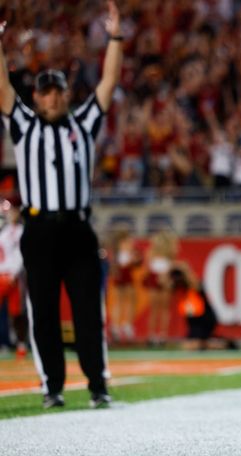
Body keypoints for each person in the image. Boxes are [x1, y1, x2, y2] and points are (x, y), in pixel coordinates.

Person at [0, 1, 123, 408]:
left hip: (76, 227)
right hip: (38, 229)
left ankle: (97, 384)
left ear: (66, 94)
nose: (51, 97)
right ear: (36, 96)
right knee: (44, 312)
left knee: (89, 309)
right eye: (45, 91)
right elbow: (2, 89)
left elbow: (107, 82)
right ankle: (51, 385)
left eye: (56, 90)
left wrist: (116, 38)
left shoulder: (83, 122)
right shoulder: (23, 123)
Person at [0, 194, 27, 359]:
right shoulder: (3, 231)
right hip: (1, 274)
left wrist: (15, 272)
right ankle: (4, 341)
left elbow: (21, 254)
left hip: (13, 276)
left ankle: (21, 343)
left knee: (17, 311)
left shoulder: (21, 231)